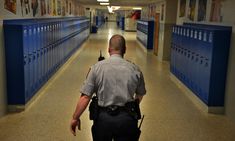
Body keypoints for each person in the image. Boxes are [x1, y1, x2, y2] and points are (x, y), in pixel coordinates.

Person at [70, 34, 146, 141]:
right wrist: (133, 105)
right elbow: (140, 94)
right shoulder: (135, 69)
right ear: (125, 49)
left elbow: (85, 97)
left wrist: (75, 118)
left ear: (108, 49)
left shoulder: (96, 68)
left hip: (103, 121)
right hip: (127, 120)